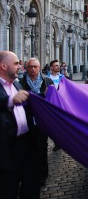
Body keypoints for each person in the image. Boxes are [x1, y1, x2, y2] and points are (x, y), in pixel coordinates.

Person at [0, 51, 40, 199]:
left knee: (31, 189)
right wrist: (10, 100)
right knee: (8, 193)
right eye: (16, 63)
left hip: (28, 146)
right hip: (7, 150)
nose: (20, 67)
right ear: (3, 65)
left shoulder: (17, 84)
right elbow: (7, 101)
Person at [19, 57, 54, 186]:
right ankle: (29, 174)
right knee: (28, 149)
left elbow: (53, 99)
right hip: (26, 121)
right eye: (30, 67)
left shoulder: (48, 81)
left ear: (40, 68)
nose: (33, 69)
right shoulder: (20, 83)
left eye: (35, 66)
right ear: (26, 68)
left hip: (42, 121)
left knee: (42, 148)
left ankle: (43, 174)